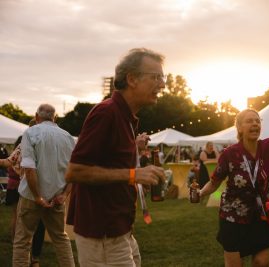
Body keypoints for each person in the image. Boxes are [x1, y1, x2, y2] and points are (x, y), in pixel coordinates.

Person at [65, 48, 166, 267]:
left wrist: (136, 178)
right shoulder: (106, 113)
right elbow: (75, 171)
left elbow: (111, 164)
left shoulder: (125, 117)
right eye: (156, 77)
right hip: (102, 233)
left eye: (162, 77)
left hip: (119, 229)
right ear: (132, 79)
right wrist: (133, 174)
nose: (162, 84)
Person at [200, 80, 269, 267]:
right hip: (232, 216)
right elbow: (215, 182)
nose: (255, 124)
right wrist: (200, 193)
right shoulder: (229, 154)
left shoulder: (268, 146)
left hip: (259, 214)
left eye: (258, 121)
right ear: (240, 128)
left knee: (262, 262)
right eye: (250, 121)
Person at [13, 104, 75, 267]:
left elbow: (29, 168)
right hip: (57, 196)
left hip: (30, 197)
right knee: (61, 239)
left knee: (22, 241)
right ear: (54, 118)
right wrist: (65, 195)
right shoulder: (68, 137)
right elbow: (74, 170)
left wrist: (37, 196)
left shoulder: (31, 132)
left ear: (37, 116)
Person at [0, 120, 47, 267]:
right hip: (46, 191)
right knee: (41, 225)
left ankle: (26, 258)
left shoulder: (25, 142)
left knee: (24, 227)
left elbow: (8, 162)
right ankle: (35, 259)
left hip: (28, 192)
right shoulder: (48, 143)